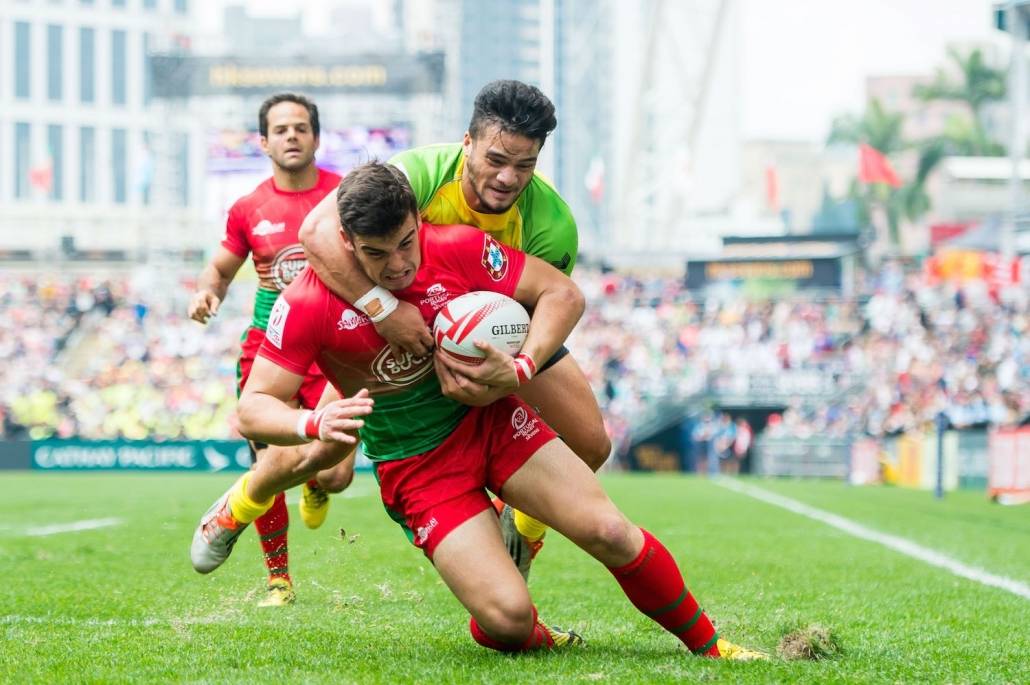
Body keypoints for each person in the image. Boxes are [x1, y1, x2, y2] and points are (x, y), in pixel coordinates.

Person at [192, 162, 763, 659]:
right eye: (375, 253)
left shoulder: (457, 246)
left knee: (610, 530)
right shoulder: (309, 302)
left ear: (419, 220)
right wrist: (312, 421)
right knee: (508, 619)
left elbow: (561, 292)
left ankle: (713, 647)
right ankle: (534, 634)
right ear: (343, 241)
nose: (397, 266)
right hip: (416, 467)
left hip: (491, 424)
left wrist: (518, 370)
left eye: (406, 242)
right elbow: (254, 407)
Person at [298, 80, 610, 577]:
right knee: (332, 470)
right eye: (496, 159)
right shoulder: (417, 173)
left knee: (593, 444)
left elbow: (538, 315)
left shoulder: (553, 228)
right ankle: (242, 503)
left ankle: (523, 530)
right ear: (467, 143)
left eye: (524, 165)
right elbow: (316, 232)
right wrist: (383, 309)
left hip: (485, 336)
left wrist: (510, 372)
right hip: (398, 324)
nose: (508, 177)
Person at [188, 92, 352, 607]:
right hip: (269, 349)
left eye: (301, 128)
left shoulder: (344, 195)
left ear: (316, 138)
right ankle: (279, 581)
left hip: (331, 347)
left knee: (337, 471)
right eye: (280, 129)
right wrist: (208, 290)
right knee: (267, 462)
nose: (291, 136)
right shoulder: (248, 208)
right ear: (263, 142)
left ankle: (318, 481)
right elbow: (221, 266)